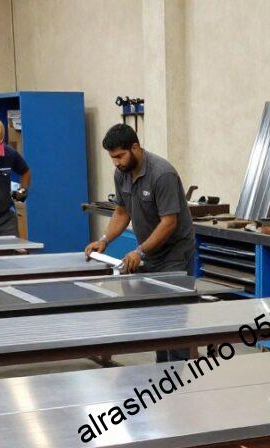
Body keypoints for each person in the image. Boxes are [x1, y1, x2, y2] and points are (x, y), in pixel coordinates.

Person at [84, 123, 196, 360]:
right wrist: (104, 241)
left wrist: (139, 252)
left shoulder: (162, 174)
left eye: (120, 156)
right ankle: (162, 372)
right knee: (155, 315)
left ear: (135, 147)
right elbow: (122, 212)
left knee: (173, 317)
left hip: (174, 252)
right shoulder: (121, 174)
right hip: (150, 253)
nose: (116, 162)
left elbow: (169, 223)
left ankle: (180, 381)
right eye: (112, 157)